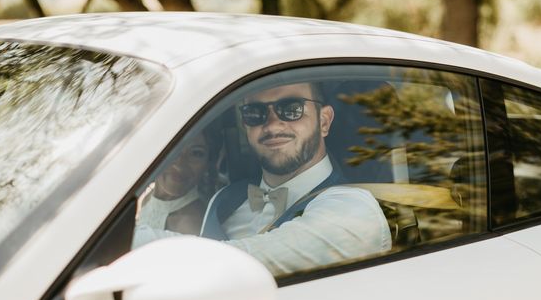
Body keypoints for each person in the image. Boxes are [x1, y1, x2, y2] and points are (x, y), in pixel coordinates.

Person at [135, 82, 391, 276]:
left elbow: (233, 266)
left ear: (324, 121)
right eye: (255, 113)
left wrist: (117, 241)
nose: (272, 125)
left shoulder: (353, 211)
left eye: (291, 109)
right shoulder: (223, 198)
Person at [134, 131, 217, 236]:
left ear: (207, 165)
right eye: (172, 149)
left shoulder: (190, 226)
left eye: (196, 153)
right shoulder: (148, 199)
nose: (179, 165)